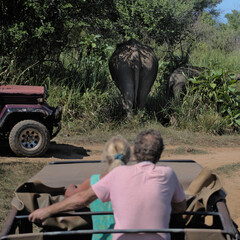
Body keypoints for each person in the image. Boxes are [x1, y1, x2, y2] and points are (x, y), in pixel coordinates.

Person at [28, 129, 186, 240]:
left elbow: (81, 199)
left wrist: (47, 210)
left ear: (136, 151)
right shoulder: (169, 174)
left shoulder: (117, 174)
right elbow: (180, 208)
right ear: (160, 153)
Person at [65, 135, 131, 240]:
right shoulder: (137, 181)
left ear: (106, 157)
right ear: (128, 157)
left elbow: (70, 196)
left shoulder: (94, 181)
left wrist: (71, 187)